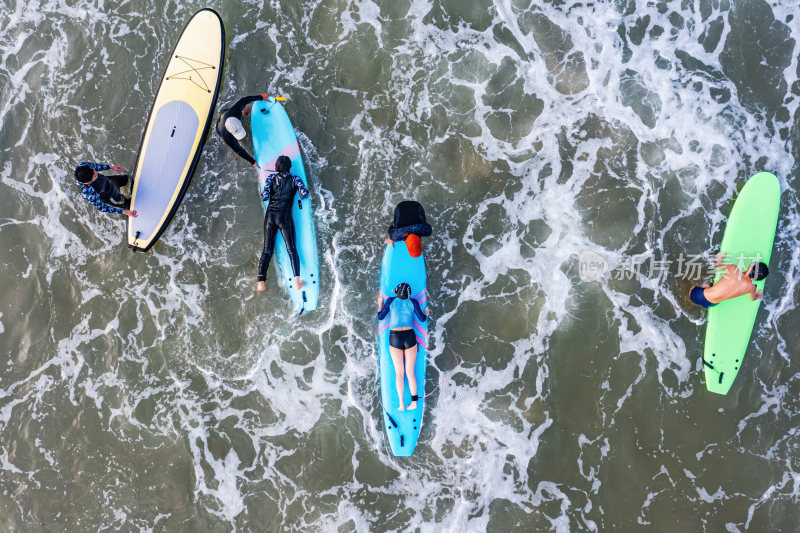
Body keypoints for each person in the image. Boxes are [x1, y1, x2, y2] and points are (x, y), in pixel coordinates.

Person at [257, 155, 309, 292]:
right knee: (291, 249)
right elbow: (304, 195)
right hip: (284, 218)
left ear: (276, 167)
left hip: (270, 216)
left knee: (267, 250)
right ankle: (297, 281)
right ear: (290, 167)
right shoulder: (295, 179)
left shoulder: (271, 178)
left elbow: (264, 197)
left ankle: (261, 282)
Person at [377, 282, 429, 411]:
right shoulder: (413, 302)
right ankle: (414, 403)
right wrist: (426, 312)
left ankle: (401, 404)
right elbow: (422, 319)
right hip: (410, 336)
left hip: (395, 337)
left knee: (399, 373)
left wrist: (380, 304)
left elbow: (380, 316)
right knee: (410, 372)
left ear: (397, 293)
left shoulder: (390, 301)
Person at [689, 253, 769, 308]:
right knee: (712, 291)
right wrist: (757, 295)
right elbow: (753, 298)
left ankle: (705, 289)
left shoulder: (734, 269)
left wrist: (719, 260)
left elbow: (719, 265)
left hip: (700, 295)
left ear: (750, 267)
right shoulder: (751, 288)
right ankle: (708, 288)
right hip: (712, 303)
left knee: (694, 288)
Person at [215, 93, 270, 168]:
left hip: (228, 114)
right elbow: (238, 150)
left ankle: (242, 114)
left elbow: (244, 100)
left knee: (247, 108)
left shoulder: (235, 111)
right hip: (221, 126)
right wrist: (252, 162)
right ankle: (234, 158)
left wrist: (261, 97)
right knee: (240, 146)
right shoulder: (226, 137)